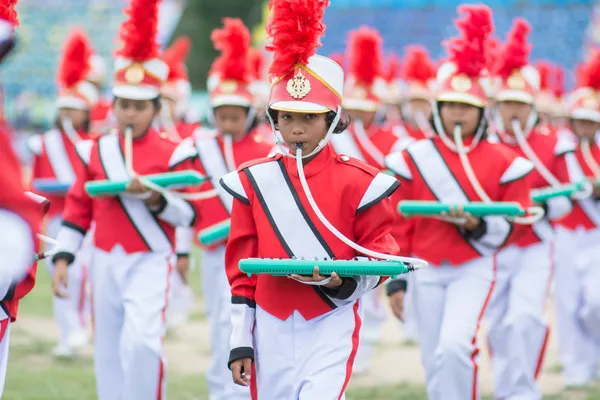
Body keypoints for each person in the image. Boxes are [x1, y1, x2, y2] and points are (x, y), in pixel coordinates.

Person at [222, 0, 409, 397]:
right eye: (286, 116)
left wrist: (339, 279)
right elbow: (240, 269)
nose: (296, 128)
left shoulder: (361, 181)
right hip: (269, 322)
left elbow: (381, 255)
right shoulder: (253, 180)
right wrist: (240, 338)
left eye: (309, 117)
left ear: (332, 119)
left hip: (330, 318)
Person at [51, 0, 201, 398]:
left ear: (155, 108)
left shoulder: (177, 151)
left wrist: (154, 198)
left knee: (143, 343)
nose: (130, 114)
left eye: (139, 107)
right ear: (114, 105)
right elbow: (78, 207)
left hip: (151, 257)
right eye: (124, 106)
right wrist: (64, 256)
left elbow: (188, 214)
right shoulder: (95, 150)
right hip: (104, 257)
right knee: (108, 350)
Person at [385, 5, 534, 399]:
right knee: (434, 354)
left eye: (466, 107)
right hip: (426, 267)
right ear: (437, 109)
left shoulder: (505, 160)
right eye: (450, 104)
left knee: (455, 346)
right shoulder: (413, 156)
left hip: (475, 265)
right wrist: (397, 278)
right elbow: (398, 224)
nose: (457, 113)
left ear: (481, 112)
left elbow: (516, 219)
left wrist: (476, 225)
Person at [487, 19, 577, 400]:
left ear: (531, 106)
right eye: (506, 103)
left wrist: (541, 203)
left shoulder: (553, 142)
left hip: (536, 244)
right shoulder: (485, 144)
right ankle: (508, 386)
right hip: (493, 246)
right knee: (495, 326)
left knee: (525, 319)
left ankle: (522, 391)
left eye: (519, 104)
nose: (512, 111)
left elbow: (563, 202)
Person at [190, 18, 273, 400]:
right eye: (220, 115)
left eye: (234, 116)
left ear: (249, 114)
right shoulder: (200, 147)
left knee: (249, 316)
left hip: (254, 250)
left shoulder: (265, 150)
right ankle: (220, 390)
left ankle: (246, 388)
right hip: (213, 249)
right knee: (218, 319)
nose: (226, 123)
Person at [29, 28, 99, 358]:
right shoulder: (43, 142)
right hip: (54, 217)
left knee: (82, 272)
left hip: (85, 219)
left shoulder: (93, 143)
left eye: (75, 109)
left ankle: (81, 328)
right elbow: (35, 180)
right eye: (64, 109)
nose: (69, 115)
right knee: (56, 270)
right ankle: (68, 330)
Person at [554, 51, 600, 388]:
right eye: (580, 120)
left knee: (595, 303)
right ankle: (575, 369)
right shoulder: (560, 152)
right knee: (567, 304)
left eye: (591, 120)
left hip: (596, 235)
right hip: (566, 235)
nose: (585, 126)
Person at [331, 26, 400, 169]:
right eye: (353, 109)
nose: (357, 114)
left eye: (363, 110)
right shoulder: (334, 140)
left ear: (376, 110)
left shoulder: (395, 141)